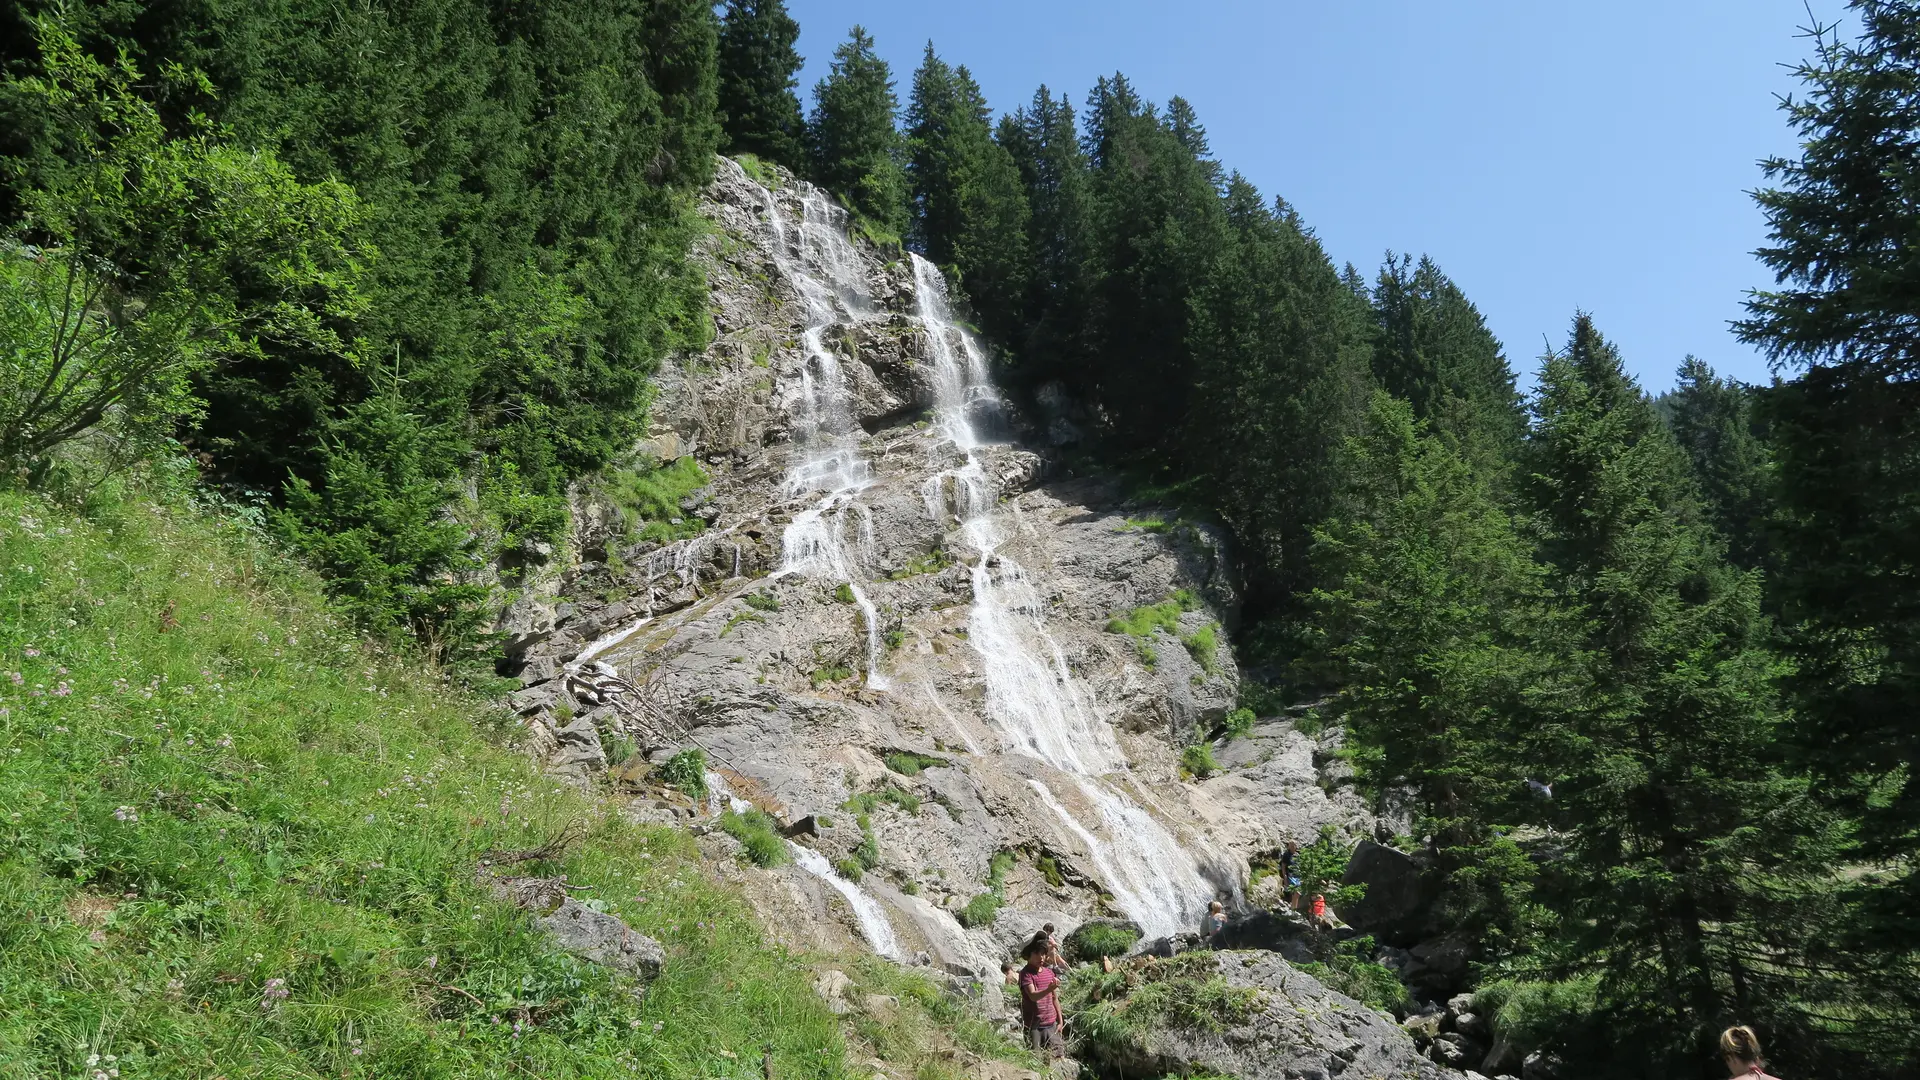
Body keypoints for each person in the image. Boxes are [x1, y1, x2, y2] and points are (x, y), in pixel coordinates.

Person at [1017, 935, 1066, 1058]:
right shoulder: (1026, 974)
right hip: (1034, 1027)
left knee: (1057, 1057)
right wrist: (1049, 989)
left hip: (1051, 1025)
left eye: (1043, 953)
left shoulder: (1049, 972)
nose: (1041, 957)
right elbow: (1033, 996)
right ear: (1028, 955)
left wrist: (1060, 1021)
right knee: (1036, 1059)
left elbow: (1055, 998)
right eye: (1037, 953)